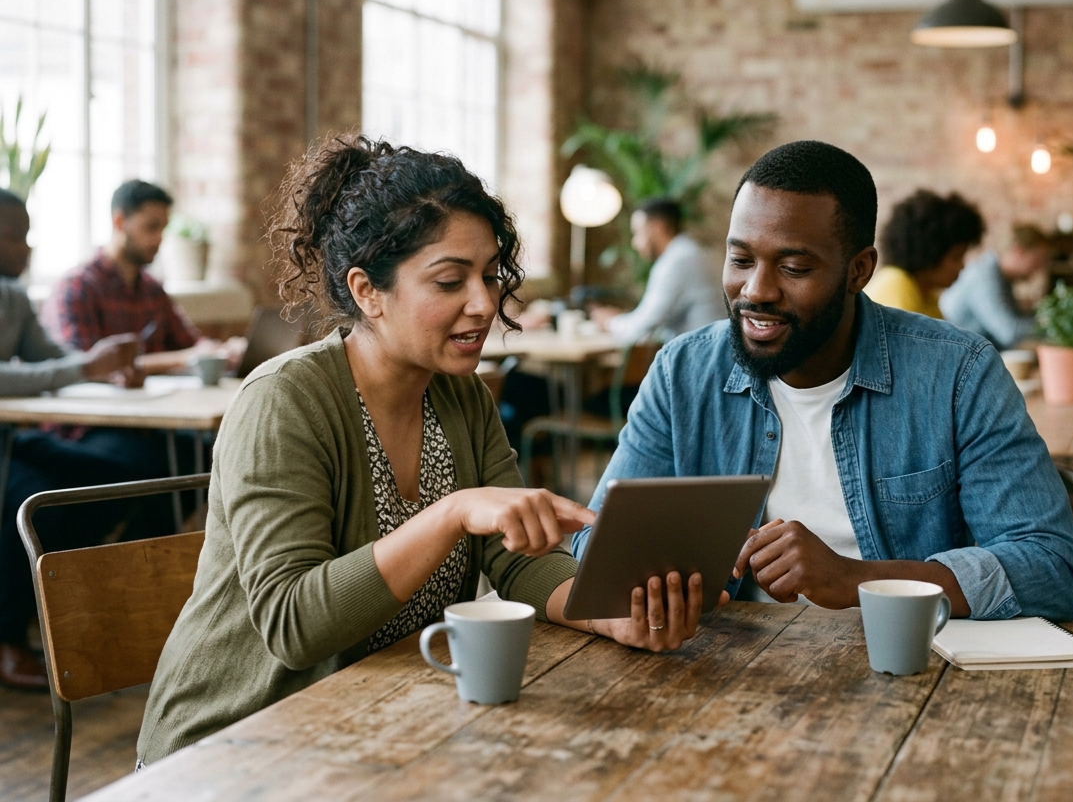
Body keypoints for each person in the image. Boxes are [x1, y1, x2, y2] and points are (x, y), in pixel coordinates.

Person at [137, 139, 719, 765]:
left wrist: (611, 614)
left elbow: (520, 565)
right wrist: (450, 513)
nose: (484, 303)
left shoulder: (460, 398)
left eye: (490, 275)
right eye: (450, 281)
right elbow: (293, 624)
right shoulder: (285, 402)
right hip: (232, 749)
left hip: (371, 727)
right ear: (368, 292)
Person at [572, 141, 1073, 623]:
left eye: (793, 267)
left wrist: (856, 579)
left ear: (858, 270)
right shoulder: (683, 372)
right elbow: (591, 547)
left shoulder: (957, 373)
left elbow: (1052, 569)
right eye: (741, 260)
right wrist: (673, 560)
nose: (756, 290)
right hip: (730, 666)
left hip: (913, 675)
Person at [0, 189, 140, 690]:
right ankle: (8, 639)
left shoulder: (14, 298)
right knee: (25, 500)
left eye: (28, 235)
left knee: (109, 477)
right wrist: (84, 366)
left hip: (13, 437)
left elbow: (47, 356)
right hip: (7, 446)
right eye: (15, 237)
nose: (27, 249)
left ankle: (59, 610)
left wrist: (102, 372)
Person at [42, 179, 243, 379]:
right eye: (151, 227)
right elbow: (87, 366)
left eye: (163, 228)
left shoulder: (152, 289)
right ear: (119, 222)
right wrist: (185, 358)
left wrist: (222, 350)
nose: (159, 239)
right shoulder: (77, 287)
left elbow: (191, 343)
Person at [591, 197, 724, 345]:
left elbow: (643, 326)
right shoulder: (688, 251)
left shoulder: (677, 260)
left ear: (658, 227)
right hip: (707, 350)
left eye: (638, 232)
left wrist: (609, 322)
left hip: (702, 357)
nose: (635, 243)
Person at [864, 189, 984, 318]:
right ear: (931, 253)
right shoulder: (898, 286)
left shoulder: (927, 294)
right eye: (956, 257)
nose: (962, 266)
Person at [940, 224, 1050, 349]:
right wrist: (1053, 323)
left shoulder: (1002, 277)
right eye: (1037, 261)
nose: (1038, 269)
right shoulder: (985, 276)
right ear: (1018, 251)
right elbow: (1009, 332)